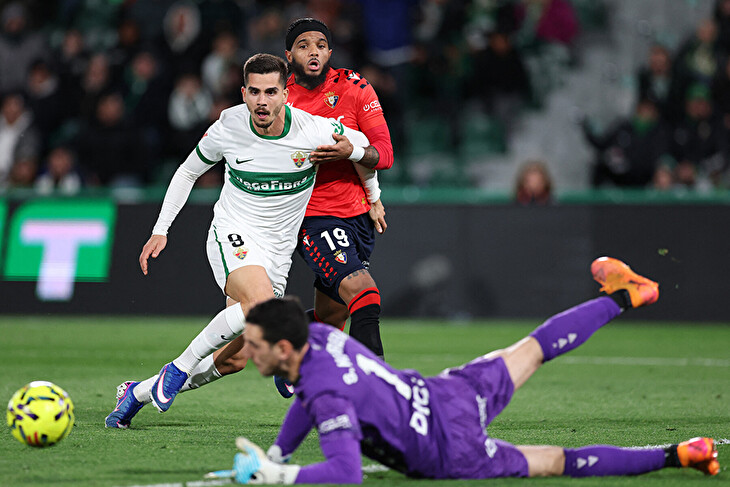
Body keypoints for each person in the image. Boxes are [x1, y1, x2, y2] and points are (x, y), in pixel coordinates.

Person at [211, 257, 719, 483]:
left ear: (283, 347)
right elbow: (304, 394)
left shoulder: (325, 394)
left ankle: (678, 455)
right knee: (532, 349)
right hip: (445, 394)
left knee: (554, 461)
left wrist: (278, 474)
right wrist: (276, 451)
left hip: (447, 450)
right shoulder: (318, 337)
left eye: (253, 345)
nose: (246, 353)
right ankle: (624, 296)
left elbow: (346, 474)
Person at [105, 53, 379, 428]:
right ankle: (179, 367)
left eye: (271, 92)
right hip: (233, 231)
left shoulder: (314, 130)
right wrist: (161, 229)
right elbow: (187, 173)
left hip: (277, 252)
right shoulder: (228, 126)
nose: (262, 101)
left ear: (286, 95)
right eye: (254, 92)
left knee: (235, 359)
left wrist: (374, 195)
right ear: (243, 93)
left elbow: (363, 149)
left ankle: (136, 394)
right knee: (260, 304)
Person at [211, 18, 395, 400]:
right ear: (289, 55)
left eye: (321, 45)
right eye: (303, 45)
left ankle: (291, 355)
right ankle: (373, 393)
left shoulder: (355, 88)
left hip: (356, 214)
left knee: (333, 316)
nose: (313, 51)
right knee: (365, 295)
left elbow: (383, 153)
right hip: (311, 217)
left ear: (330, 52)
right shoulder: (278, 97)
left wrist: (369, 188)